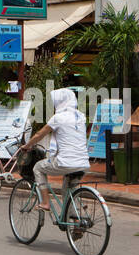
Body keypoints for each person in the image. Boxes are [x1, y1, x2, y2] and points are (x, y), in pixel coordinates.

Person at [17, 88, 90, 221]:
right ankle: (77, 220)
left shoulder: (58, 118)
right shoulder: (80, 116)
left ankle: (45, 202)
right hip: (83, 163)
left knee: (38, 168)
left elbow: (40, 134)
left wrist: (27, 146)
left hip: (65, 162)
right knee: (68, 189)